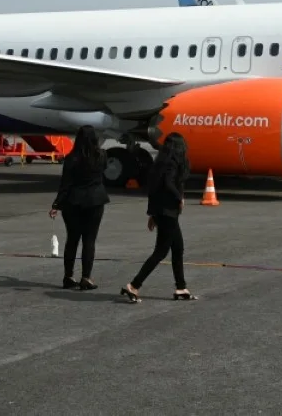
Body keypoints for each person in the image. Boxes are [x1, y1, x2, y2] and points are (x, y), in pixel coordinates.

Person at [121, 132, 197, 302]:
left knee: (178, 248)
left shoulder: (160, 164)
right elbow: (168, 183)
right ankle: (134, 285)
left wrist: (153, 214)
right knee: (161, 252)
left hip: (163, 212)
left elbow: (154, 191)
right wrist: (179, 198)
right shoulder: (171, 164)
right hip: (168, 212)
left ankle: (181, 287)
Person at [49, 125, 110, 290]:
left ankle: (68, 276)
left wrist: (56, 204)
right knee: (89, 240)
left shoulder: (71, 158)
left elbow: (65, 184)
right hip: (95, 200)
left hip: (73, 202)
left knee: (72, 240)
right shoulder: (102, 156)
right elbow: (103, 170)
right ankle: (86, 277)